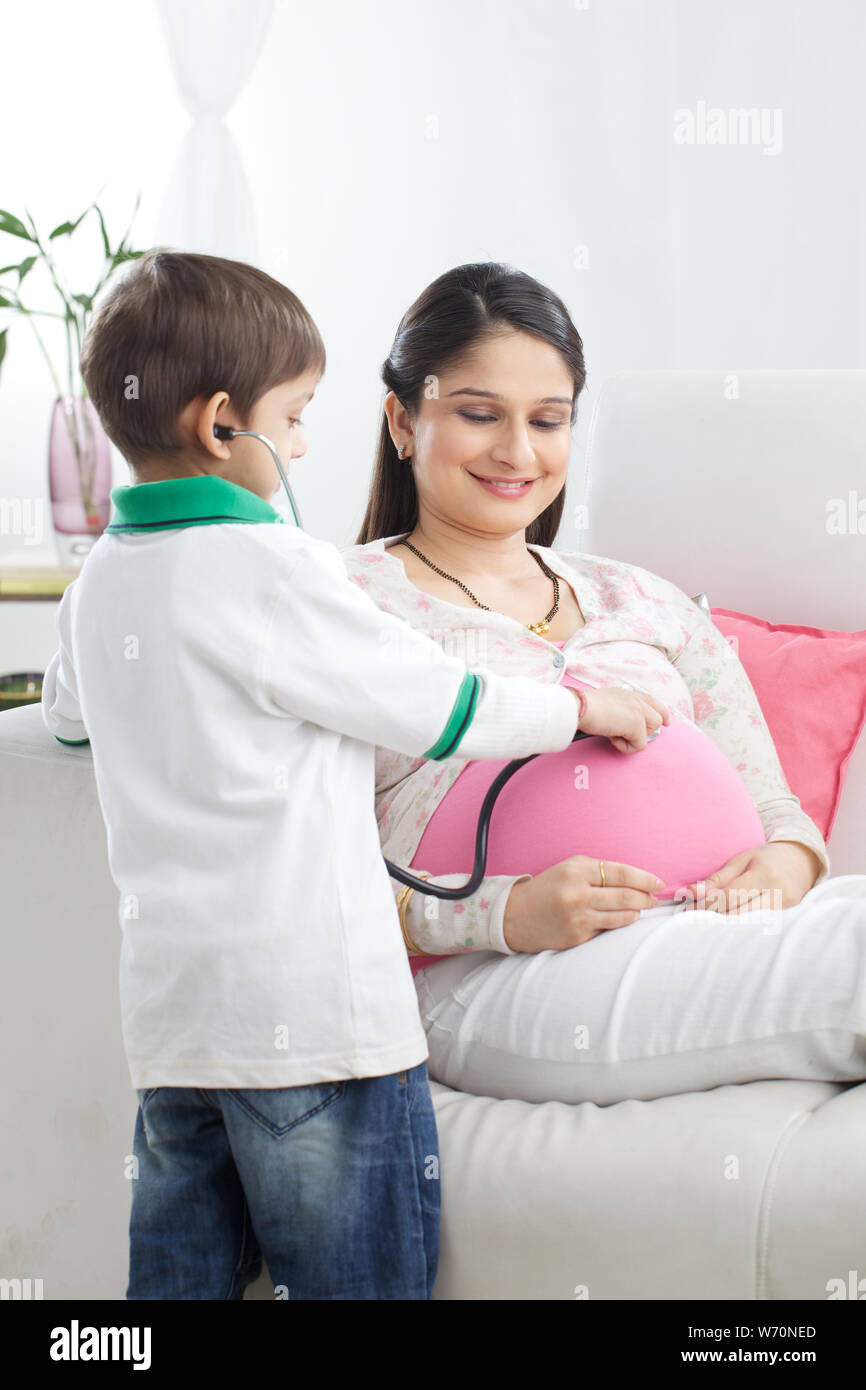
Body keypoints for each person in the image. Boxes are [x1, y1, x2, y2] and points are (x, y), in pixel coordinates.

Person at [40, 249, 655, 1301]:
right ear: (221, 423)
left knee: (176, 1288)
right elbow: (438, 701)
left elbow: (66, 717)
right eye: (292, 417)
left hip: (178, 1035)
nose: (300, 441)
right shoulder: (278, 569)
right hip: (318, 1026)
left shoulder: (102, 582)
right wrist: (577, 707)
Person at [344, 260, 866, 1107]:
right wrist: (502, 915)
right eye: (480, 414)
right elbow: (298, 874)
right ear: (404, 420)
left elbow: (780, 816)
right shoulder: (339, 607)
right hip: (497, 969)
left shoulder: (645, 598)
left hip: (709, 931)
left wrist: (783, 867)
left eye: (548, 421)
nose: (518, 452)